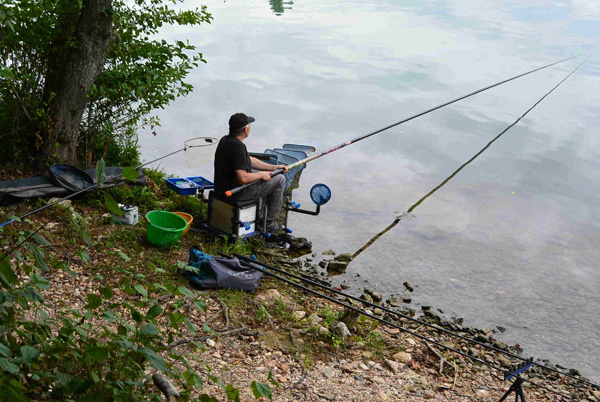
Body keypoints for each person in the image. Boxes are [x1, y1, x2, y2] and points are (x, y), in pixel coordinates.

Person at [213, 113, 289, 233]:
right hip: (236, 192)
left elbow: (249, 160)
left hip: (222, 187)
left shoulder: (226, 140)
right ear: (245, 129)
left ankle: (259, 212)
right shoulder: (238, 147)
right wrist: (261, 175)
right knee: (280, 179)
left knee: (272, 174)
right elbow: (243, 178)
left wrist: (273, 168)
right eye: (249, 125)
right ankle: (268, 222)